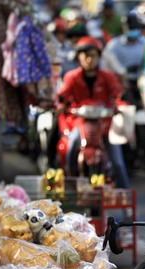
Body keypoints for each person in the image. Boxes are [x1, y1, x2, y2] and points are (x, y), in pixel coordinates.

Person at [57, 37, 129, 186]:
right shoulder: (71, 77)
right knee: (71, 146)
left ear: (98, 57)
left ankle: (125, 194)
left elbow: (118, 95)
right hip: (80, 123)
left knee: (117, 160)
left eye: (93, 55)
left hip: (105, 124)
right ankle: (71, 184)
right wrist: (60, 104)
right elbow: (62, 96)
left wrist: (119, 105)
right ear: (79, 58)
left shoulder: (108, 77)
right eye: (85, 56)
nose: (89, 59)